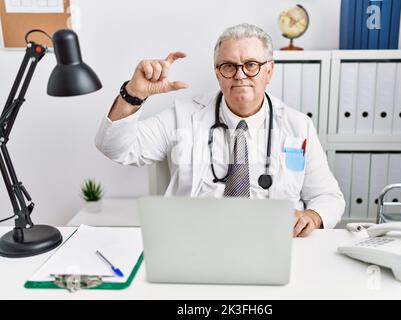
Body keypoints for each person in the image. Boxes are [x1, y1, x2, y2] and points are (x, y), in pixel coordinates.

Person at [95, 23, 345, 237]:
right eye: (229, 66)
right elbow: (116, 148)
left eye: (251, 64)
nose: (240, 75)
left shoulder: (298, 125)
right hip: (194, 241)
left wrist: (312, 216)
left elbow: (329, 197)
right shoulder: (183, 116)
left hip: (274, 241)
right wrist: (133, 94)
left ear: (269, 71)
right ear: (217, 73)